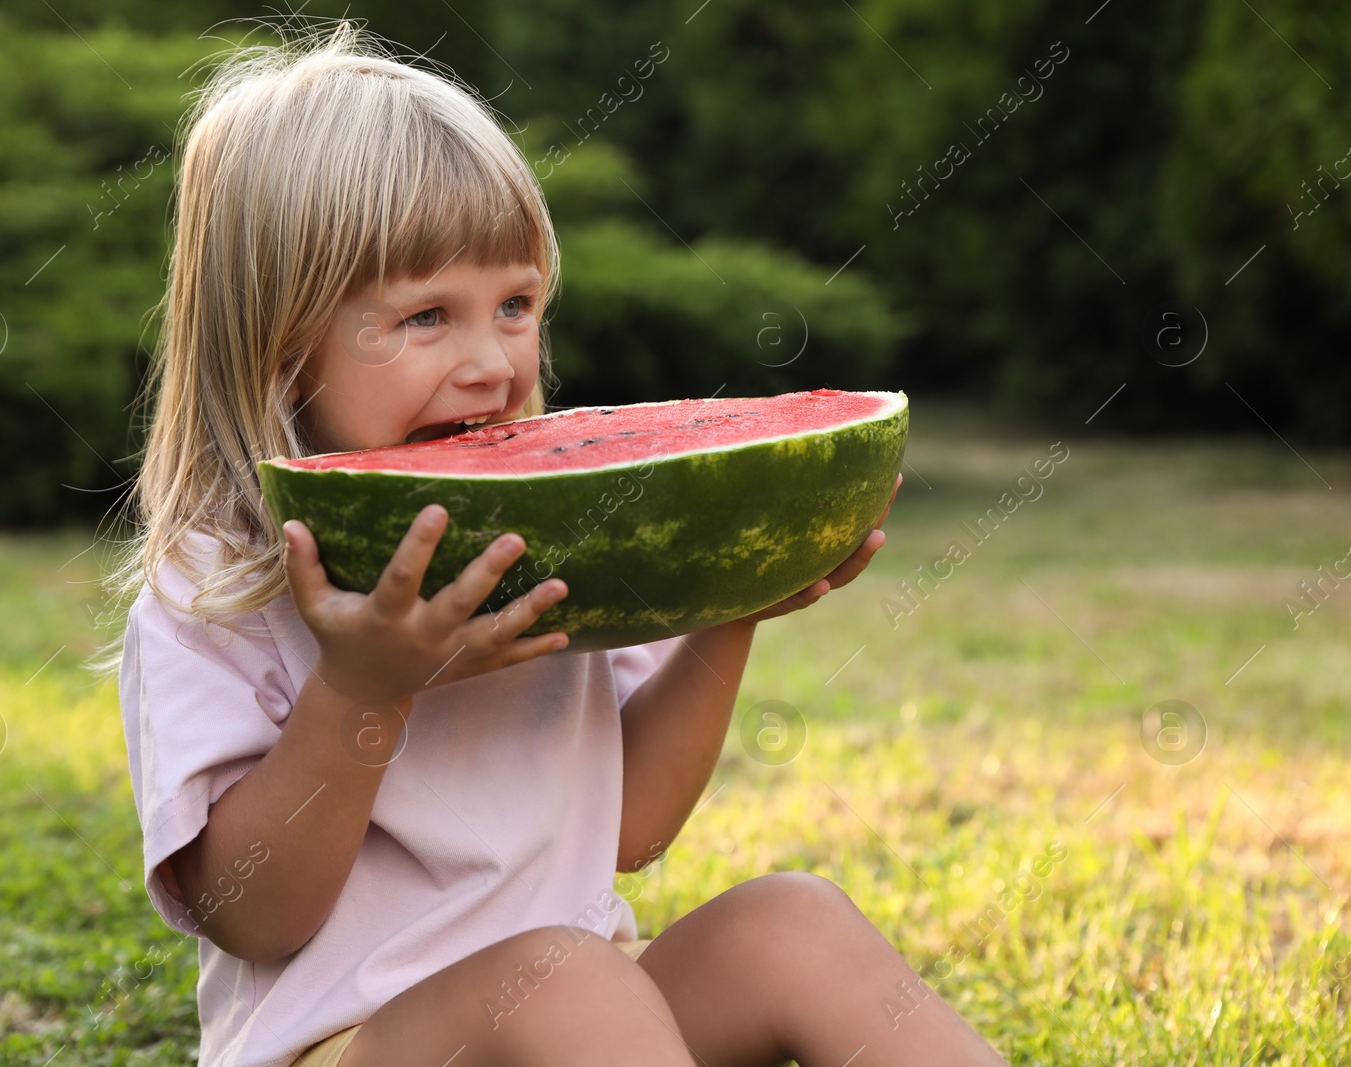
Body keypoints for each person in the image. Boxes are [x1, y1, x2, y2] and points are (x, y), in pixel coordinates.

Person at [102, 18, 1008, 1067]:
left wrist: (727, 609)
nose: (491, 360)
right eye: (426, 316)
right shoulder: (212, 588)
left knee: (789, 922)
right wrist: (363, 688)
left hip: (592, 1016)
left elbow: (630, 836)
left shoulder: (552, 539)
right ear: (279, 342)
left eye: (516, 304)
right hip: (344, 1044)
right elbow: (253, 915)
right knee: (567, 976)